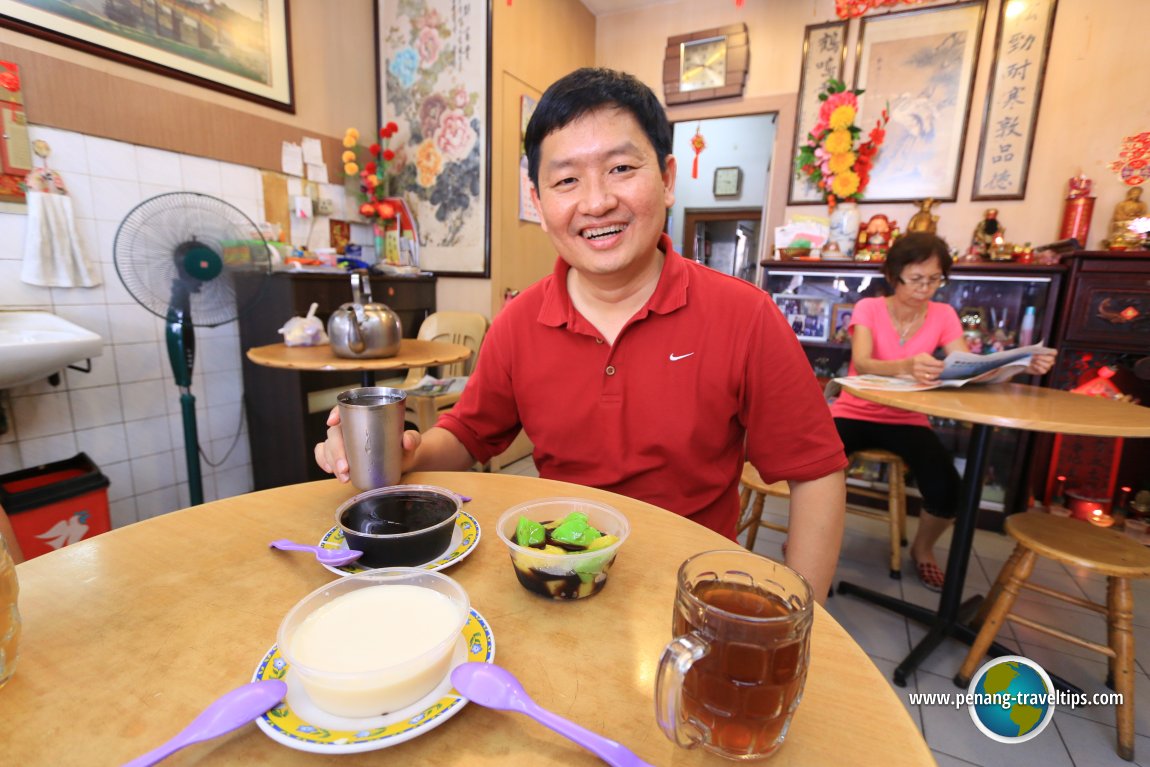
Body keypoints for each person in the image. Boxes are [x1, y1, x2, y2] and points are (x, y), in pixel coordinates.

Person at [316, 67, 848, 600]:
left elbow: (816, 472)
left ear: (666, 177)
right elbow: (468, 435)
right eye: (567, 180)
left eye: (620, 168)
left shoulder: (745, 315)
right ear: (539, 200)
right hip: (560, 578)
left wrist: (798, 619)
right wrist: (400, 454)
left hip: (689, 593)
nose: (595, 203)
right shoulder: (520, 322)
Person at [829, 233, 1055, 591]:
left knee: (947, 487)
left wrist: (1018, 365)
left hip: (907, 417)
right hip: (854, 410)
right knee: (821, 467)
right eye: (916, 278)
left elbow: (968, 368)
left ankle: (922, 550)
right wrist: (908, 366)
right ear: (893, 275)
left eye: (934, 279)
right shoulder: (869, 308)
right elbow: (862, 362)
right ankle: (817, 538)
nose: (925, 288)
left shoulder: (944, 314)